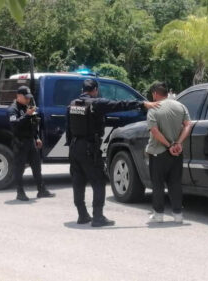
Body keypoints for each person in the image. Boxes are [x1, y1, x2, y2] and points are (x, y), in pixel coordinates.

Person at [66, 79, 159, 227]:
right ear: (95, 90)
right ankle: (97, 217)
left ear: (82, 90)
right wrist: (141, 104)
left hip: (74, 147)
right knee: (98, 181)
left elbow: (68, 129)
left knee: (78, 182)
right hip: (89, 147)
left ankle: (82, 215)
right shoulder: (96, 103)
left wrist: (71, 147)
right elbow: (119, 104)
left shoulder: (72, 104)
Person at [146, 82, 192, 224]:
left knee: (158, 184)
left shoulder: (154, 108)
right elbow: (188, 125)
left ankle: (158, 215)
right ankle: (178, 214)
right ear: (166, 93)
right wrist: (178, 143)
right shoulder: (180, 106)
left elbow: (154, 130)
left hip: (158, 153)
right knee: (175, 183)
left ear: (155, 94)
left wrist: (169, 145)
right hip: (177, 153)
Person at [8, 86, 55, 201]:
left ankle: (41, 190)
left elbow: (33, 125)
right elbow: (15, 125)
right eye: (26, 98)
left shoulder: (28, 107)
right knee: (20, 168)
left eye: (29, 98)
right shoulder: (13, 109)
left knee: (37, 167)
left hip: (31, 141)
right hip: (20, 142)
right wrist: (27, 115)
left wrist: (37, 137)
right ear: (19, 96)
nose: (28, 100)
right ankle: (20, 192)